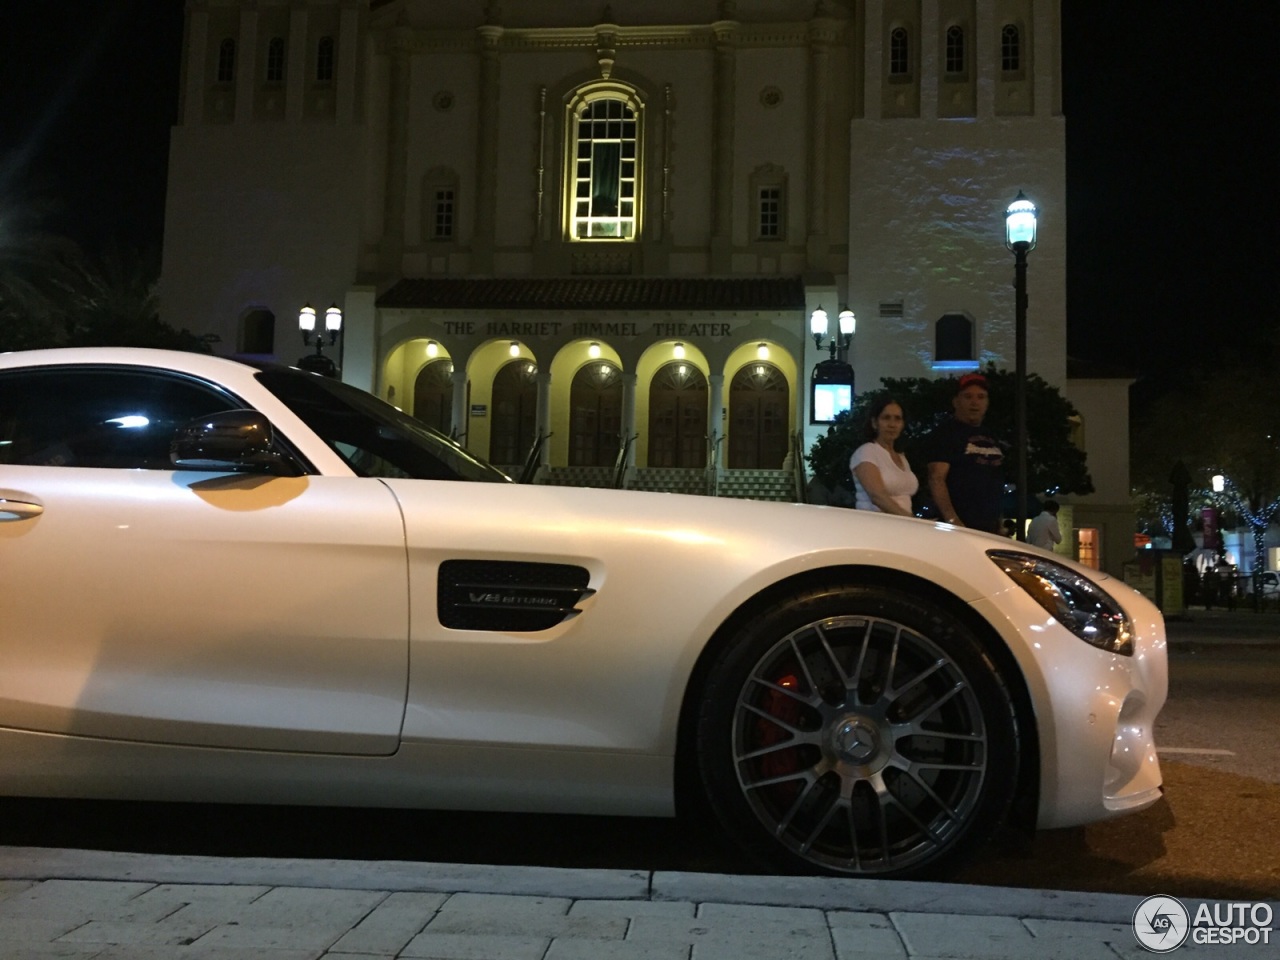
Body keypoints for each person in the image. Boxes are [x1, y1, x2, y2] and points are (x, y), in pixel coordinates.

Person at [924, 372, 1005, 533]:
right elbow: (936, 478)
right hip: (959, 527)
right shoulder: (946, 434)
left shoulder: (991, 435)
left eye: (981, 397)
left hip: (989, 527)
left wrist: (999, 522)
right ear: (956, 401)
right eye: (968, 396)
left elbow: (994, 479)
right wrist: (952, 520)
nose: (974, 402)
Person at [849, 396, 918, 515]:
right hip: (876, 526)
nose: (892, 424)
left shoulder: (901, 457)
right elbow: (877, 496)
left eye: (897, 419)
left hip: (902, 527)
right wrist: (911, 520)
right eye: (886, 418)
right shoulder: (866, 452)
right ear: (875, 423)